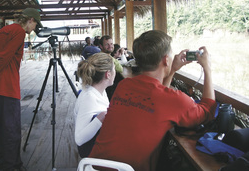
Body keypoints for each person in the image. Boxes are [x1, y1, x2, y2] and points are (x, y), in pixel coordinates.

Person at [90, 30, 217, 171]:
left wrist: (172, 70)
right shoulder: (172, 100)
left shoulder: (124, 85)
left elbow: (155, 97)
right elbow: (207, 111)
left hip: (92, 165)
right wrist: (207, 68)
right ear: (166, 60)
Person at [0, 8, 42, 171]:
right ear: (30, 20)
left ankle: (2, 163)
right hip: (7, 88)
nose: (33, 29)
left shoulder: (4, 30)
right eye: (35, 25)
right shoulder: (18, 32)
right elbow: (3, 58)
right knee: (11, 129)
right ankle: (12, 166)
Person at [74, 52, 116, 158]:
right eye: (114, 69)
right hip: (92, 153)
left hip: (98, 144)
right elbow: (79, 139)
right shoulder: (89, 97)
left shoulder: (100, 91)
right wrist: (101, 117)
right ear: (108, 74)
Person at [99, 35, 124, 100]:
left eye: (111, 43)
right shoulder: (107, 58)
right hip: (107, 88)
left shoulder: (102, 55)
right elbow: (120, 69)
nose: (110, 46)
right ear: (101, 46)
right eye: (107, 44)